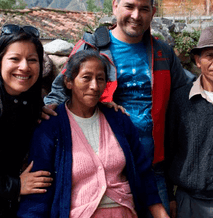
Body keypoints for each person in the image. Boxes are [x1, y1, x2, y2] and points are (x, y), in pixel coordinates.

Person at [42, 0, 196, 215]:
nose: (136, 15)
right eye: (129, 6)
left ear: (152, 12)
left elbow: (184, 94)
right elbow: (58, 94)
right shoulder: (91, 48)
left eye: (143, 9)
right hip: (106, 171)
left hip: (153, 168)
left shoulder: (162, 52)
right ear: (115, 6)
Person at [17, 50, 170, 218]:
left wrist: (160, 213)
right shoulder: (51, 127)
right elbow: (39, 189)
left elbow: (143, 171)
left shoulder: (119, 120)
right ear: (69, 81)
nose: (94, 86)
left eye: (100, 79)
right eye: (86, 77)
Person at [165, 25, 213, 218]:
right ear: (197, 60)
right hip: (187, 201)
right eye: (210, 55)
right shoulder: (180, 99)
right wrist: (169, 196)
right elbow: (168, 149)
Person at [0, 24, 53, 217]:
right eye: (14, 58)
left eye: (32, 60)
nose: (24, 67)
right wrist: (16, 185)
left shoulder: (29, 104)